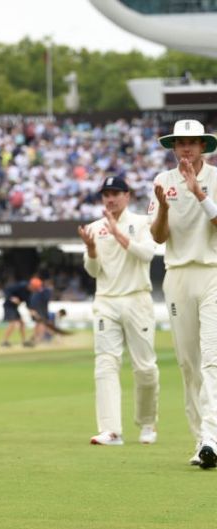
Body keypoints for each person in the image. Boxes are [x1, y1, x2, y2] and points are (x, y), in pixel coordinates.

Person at [148, 119, 217, 468]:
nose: (186, 148)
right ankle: (201, 442)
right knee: (189, 365)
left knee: (212, 358)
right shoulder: (162, 182)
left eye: (192, 142)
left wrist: (200, 194)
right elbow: (158, 238)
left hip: (212, 272)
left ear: (203, 146)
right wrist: (162, 207)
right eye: (181, 143)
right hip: (177, 276)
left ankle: (212, 438)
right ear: (173, 147)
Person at [78, 174, 159, 446]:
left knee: (145, 367)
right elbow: (93, 271)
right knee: (105, 364)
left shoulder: (142, 222)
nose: (110, 198)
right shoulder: (94, 227)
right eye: (106, 194)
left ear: (128, 195)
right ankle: (110, 430)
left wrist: (118, 234)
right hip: (106, 300)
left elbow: (147, 254)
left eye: (116, 193)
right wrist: (90, 249)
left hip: (137, 298)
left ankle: (148, 423)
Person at [0, 278, 42, 347]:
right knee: (12, 323)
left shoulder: (29, 293)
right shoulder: (21, 286)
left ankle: (24, 341)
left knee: (22, 323)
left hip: (14, 307)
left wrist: (32, 311)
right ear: (32, 286)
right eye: (36, 288)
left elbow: (28, 303)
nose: (36, 290)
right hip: (8, 306)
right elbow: (7, 290)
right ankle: (4, 341)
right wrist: (12, 297)